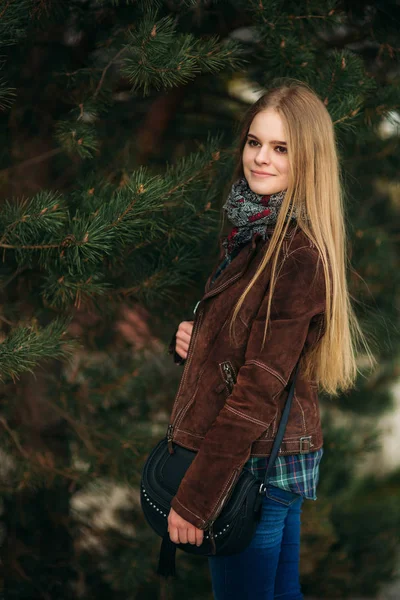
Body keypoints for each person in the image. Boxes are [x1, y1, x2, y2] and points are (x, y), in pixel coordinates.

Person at [166, 80, 374, 599]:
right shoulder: (252, 229)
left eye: (280, 148)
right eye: (254, 142)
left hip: (256, 461)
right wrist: (198, 340)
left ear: (308, 159)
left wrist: (198, 497)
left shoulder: (295, 251)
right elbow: (251, 349)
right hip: (272, 457)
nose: (260, 158)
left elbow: (260, 386)